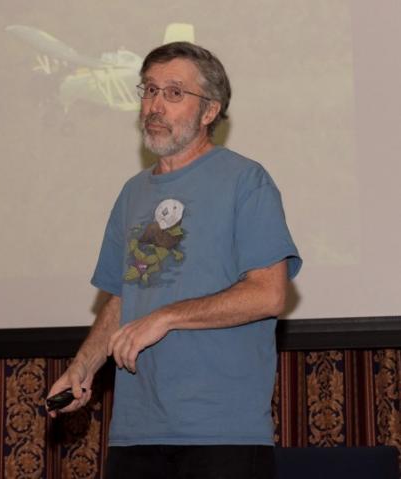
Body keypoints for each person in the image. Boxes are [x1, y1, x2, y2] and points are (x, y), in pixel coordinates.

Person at [47, 41, 302, 479]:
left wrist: (166, 317)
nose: (155, 106)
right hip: (136, 433)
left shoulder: (246, 181)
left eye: (173, 93)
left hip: (220, 435)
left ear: (209, 112)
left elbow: (270, 293)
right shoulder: (133, 193)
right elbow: (127, 297)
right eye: (148, 90)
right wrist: (82, 367)